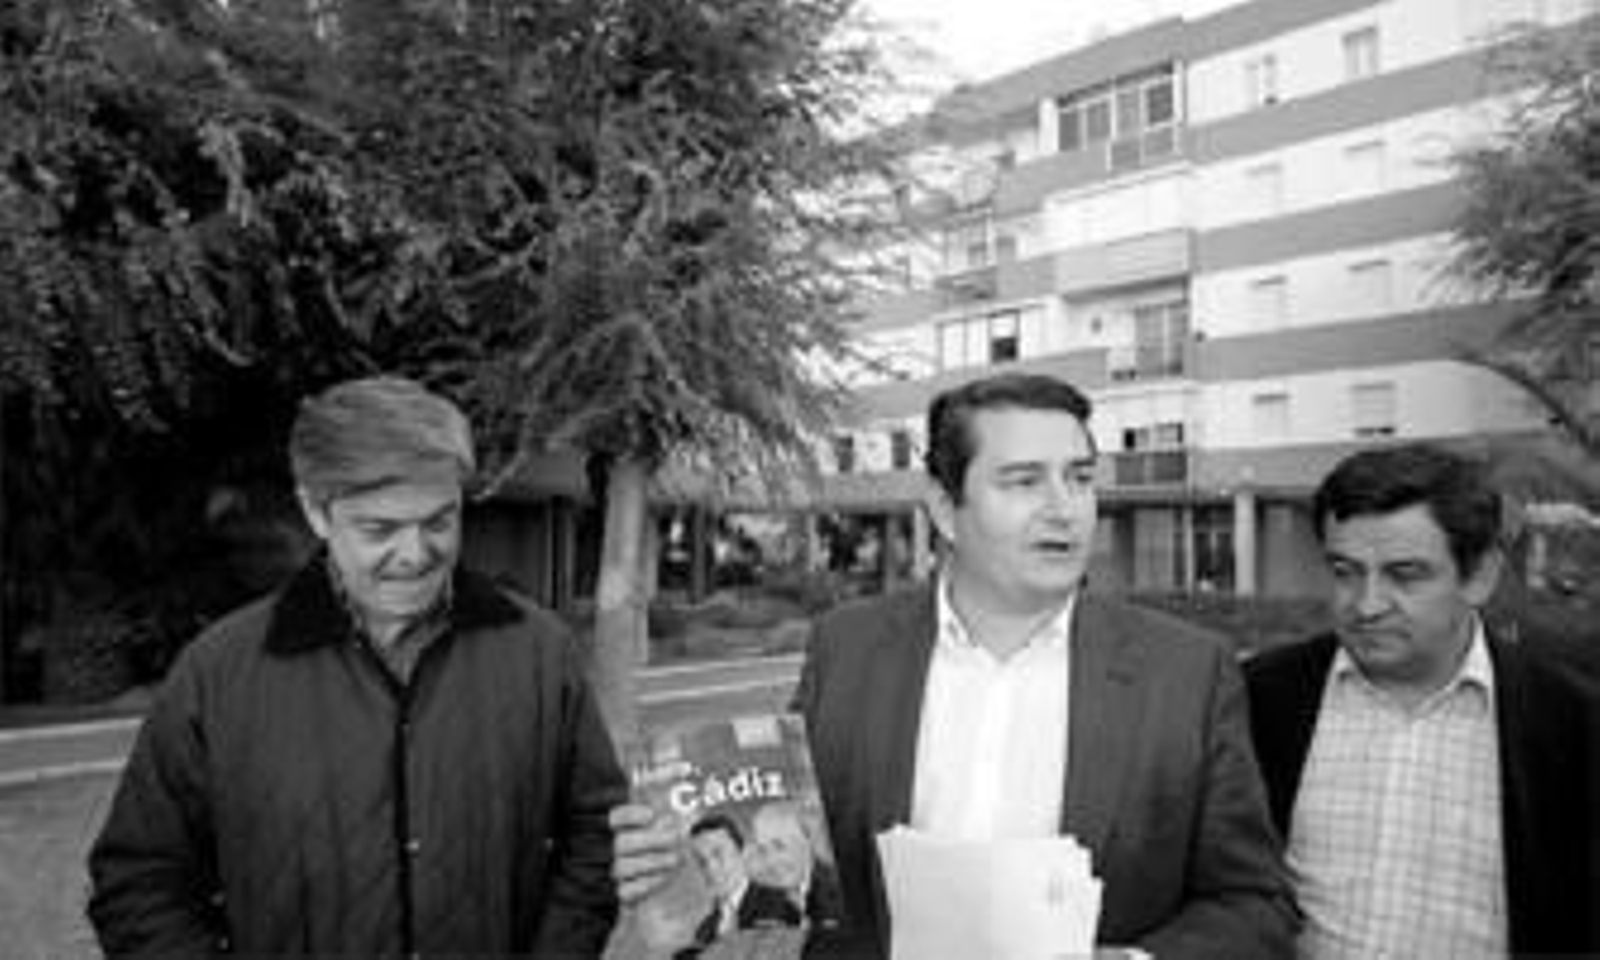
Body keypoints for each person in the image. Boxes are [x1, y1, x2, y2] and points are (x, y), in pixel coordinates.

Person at [617, 372, 1297, 959]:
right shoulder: (845, 649)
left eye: (1080, 477)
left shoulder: (1187, 674)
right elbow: (799, 864)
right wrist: (669, 863)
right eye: (1023, 481)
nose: (1064, 508)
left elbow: (1254, 904)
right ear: (945, 508)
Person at [87, 375, 626, 956]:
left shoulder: (542, 653)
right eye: (380, 529)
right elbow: (137, 884)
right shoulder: (216, 674)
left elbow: (598, 839)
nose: (416, 554)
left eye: (440, 521)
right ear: (316, 513)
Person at [1245, 443, 1600, 957]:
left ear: (1480, 575)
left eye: (1405, 575)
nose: (1367, 605)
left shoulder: (1573, 726)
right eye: (1344, 571)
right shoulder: (1260, 697)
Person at [676, 814, 802, 959]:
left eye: (718, 854)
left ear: (743, 853)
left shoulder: (779, 903)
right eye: (701, 861)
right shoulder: (704, 931)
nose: (711, 868)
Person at [747, 801, 844, 931]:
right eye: (763, 850)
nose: (771, 861)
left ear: (807, 841)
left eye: (779, 846)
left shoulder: (841, 889)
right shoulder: (763, 900)